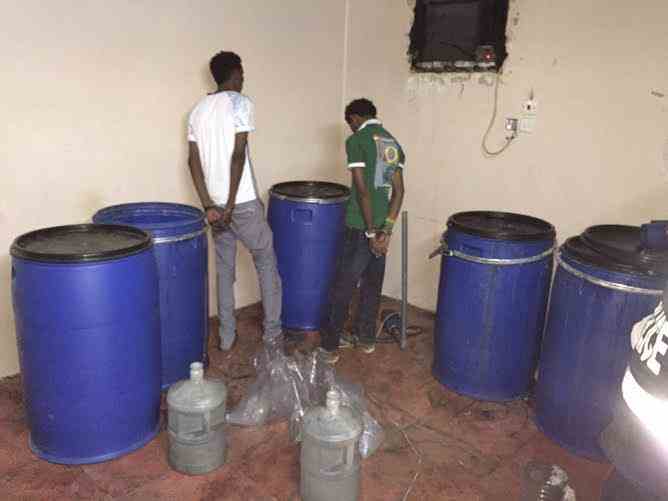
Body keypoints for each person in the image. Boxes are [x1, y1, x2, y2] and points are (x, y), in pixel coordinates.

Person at [187, 50, 283, 353]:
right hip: (240, 203)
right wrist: (229, 205)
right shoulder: (241, 103)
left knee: (224, 271)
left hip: (215, 208)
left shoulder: (197, 110)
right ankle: (272, 337)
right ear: (236, 74)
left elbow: (192, 162)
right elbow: (238, 154)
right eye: (242, 73)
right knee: (265, 261)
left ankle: (227, 337)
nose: (243, 78)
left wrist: (209, 206)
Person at [320, 98, 405, 364]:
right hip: (382, 230)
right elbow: (399, 191)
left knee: (343, 286)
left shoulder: (356, 141)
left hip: (360, 227)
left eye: (350, 123)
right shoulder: (392, 143)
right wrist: (385, 230)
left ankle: (330, 347)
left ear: (355, 118)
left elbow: (362, 191)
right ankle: (366, 339)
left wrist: (369, 232)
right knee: (372, 284)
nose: (351, 128)